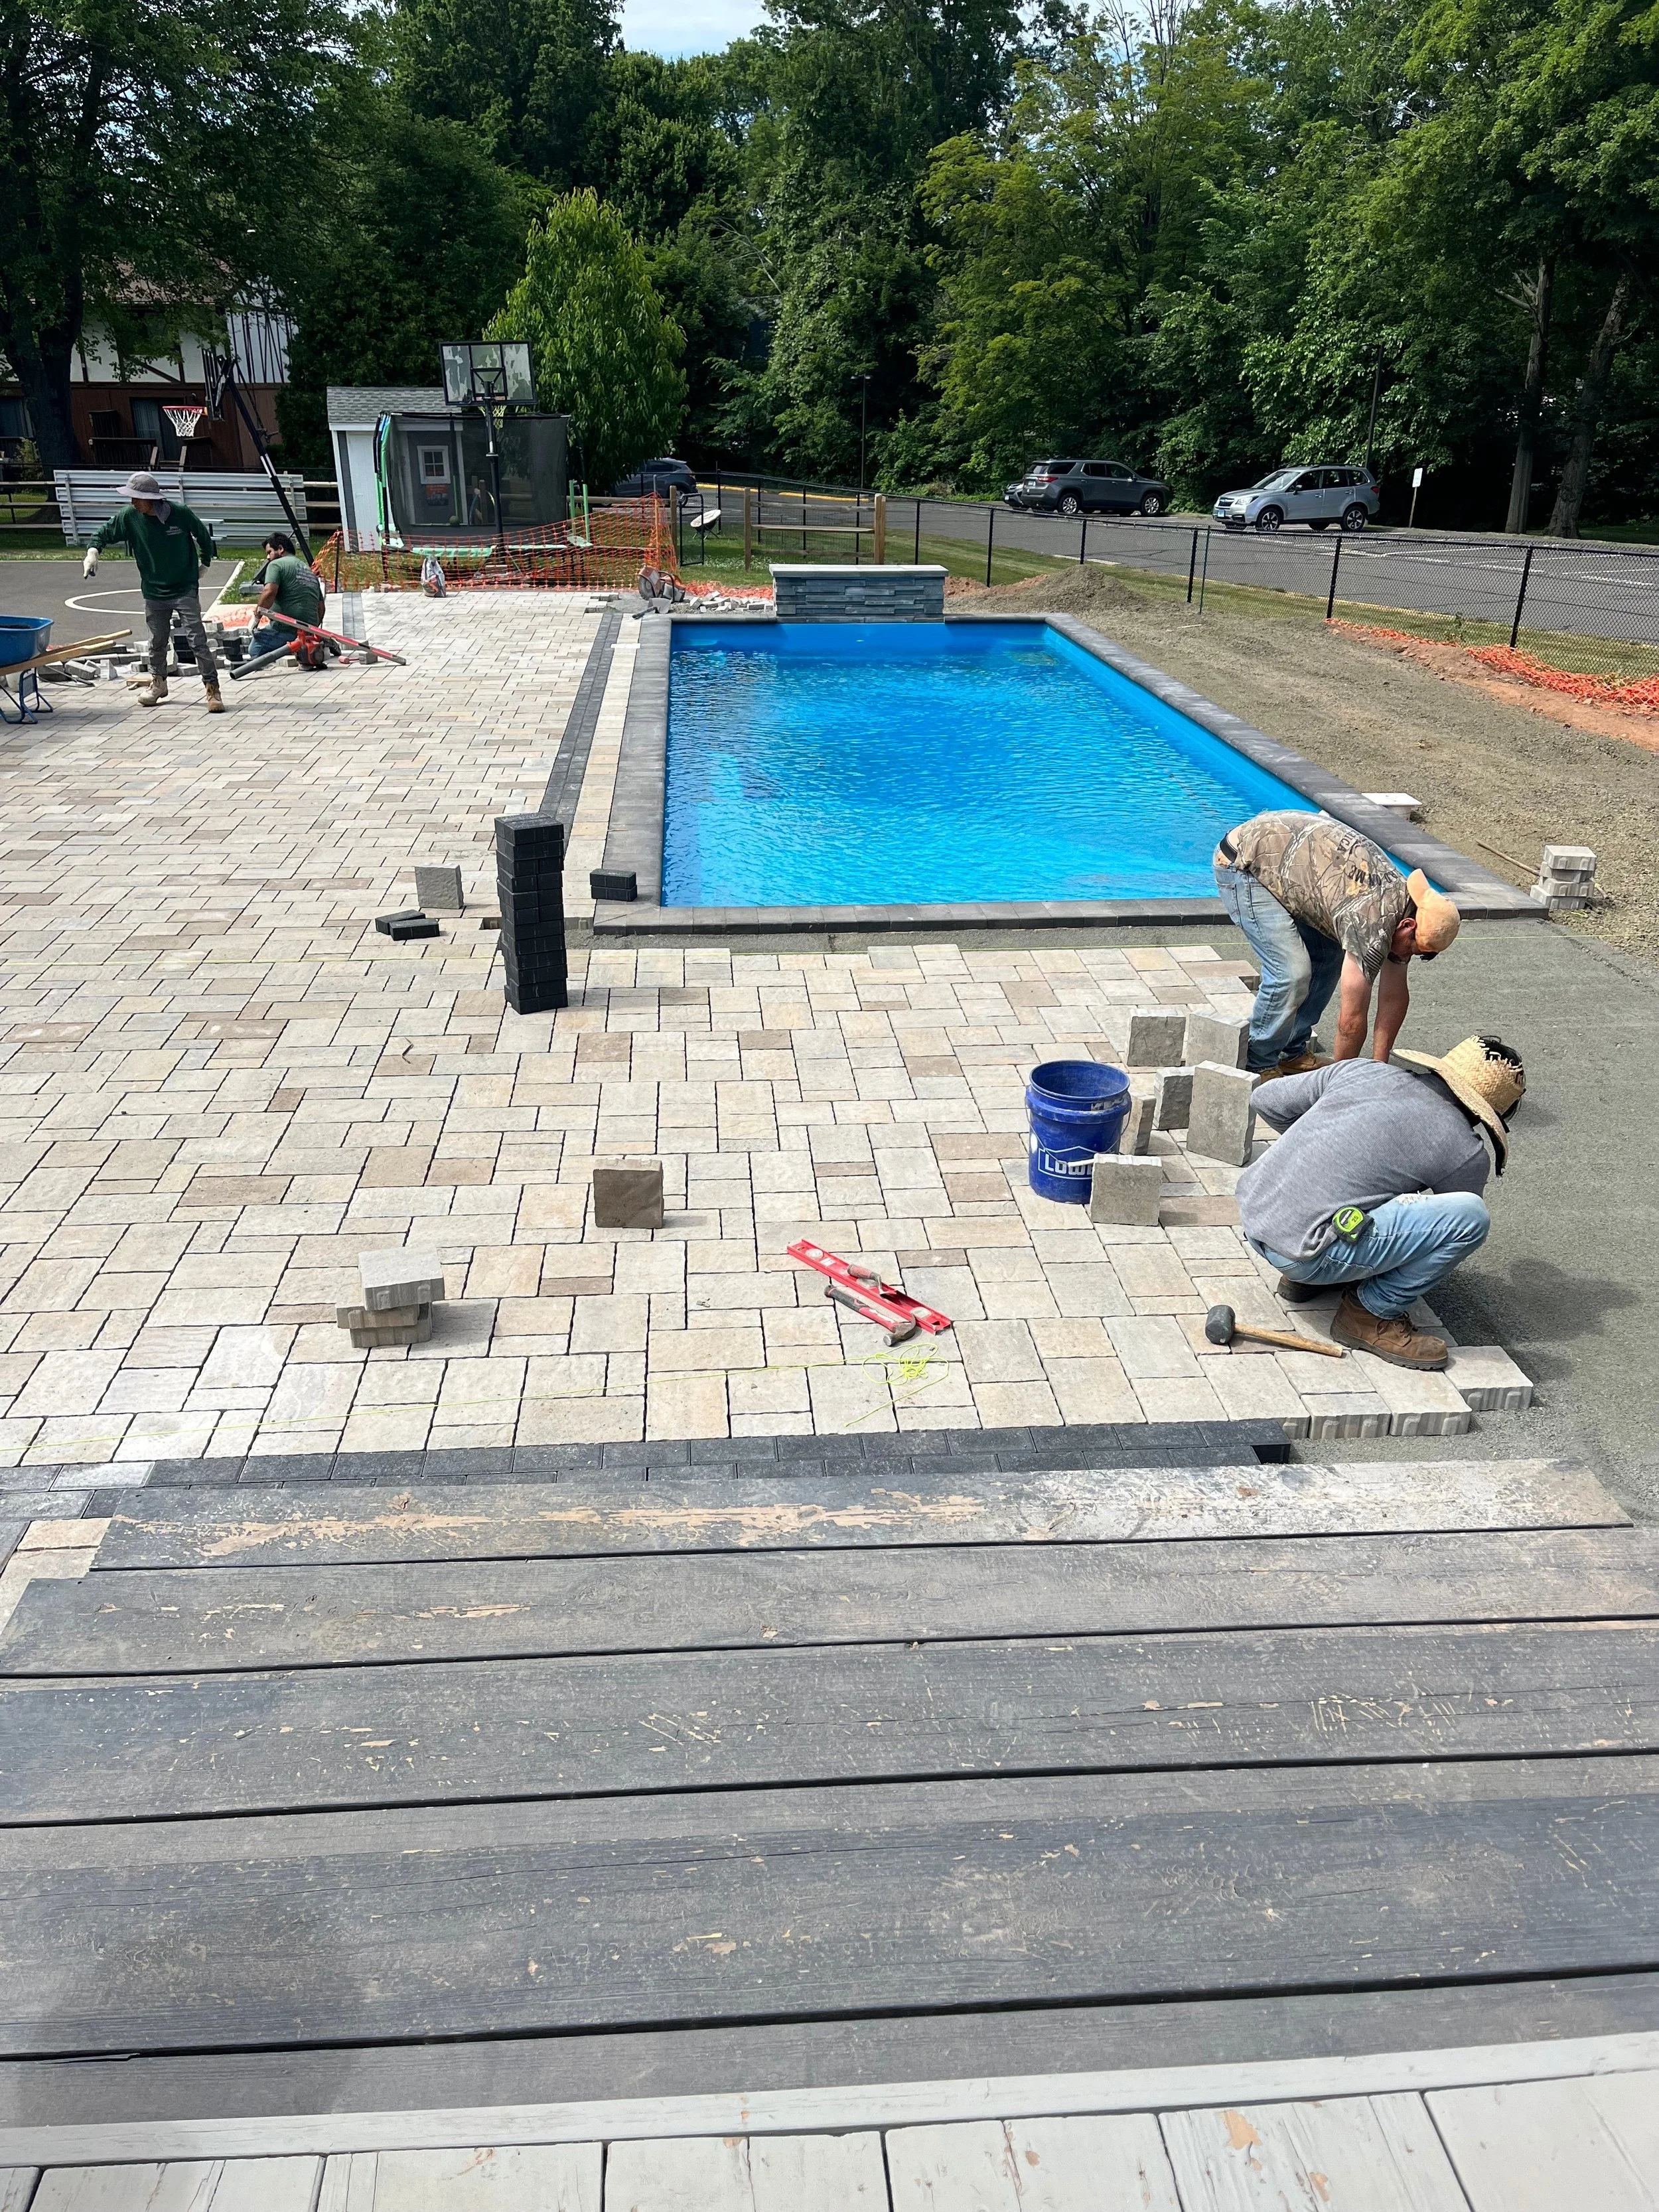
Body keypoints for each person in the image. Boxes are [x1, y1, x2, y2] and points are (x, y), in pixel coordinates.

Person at [1238, 1035, 1526, 1370]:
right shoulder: (1466, 1150)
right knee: (1471, 1218)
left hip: (1257, 1219)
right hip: (1306, 1255)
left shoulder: (1363, 1070)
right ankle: (1369, 1312)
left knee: (1366, 1191)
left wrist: (1321, 1157)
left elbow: (1265, 1099)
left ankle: (1310, 1272)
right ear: (1489, 1113)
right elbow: (1444, 1228)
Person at [1214, 809, 1461, 1076]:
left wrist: (1380, 1068)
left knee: (1329, 956)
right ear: (1408, 926)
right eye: (1414, 950)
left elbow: (1393, 997)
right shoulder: (1371, 919)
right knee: (1291, 973)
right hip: (1244, 862)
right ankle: (1259, 1063)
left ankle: (1290, 1052)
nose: (1408, 957)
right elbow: (1351, 1021)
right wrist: (1340, 1084)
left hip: (1291, 866)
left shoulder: (1405, 908)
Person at [82, 471, 223, 711]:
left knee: (197, 640)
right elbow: (103, 533)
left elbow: (203, 537)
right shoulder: (130, 516)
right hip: (154, 590)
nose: (132, 502)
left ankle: (212, 689)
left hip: (184, 587)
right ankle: (158, 683)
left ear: (151, 499)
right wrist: (93, 552)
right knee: (157, 641)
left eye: (136, 498)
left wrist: (205, 563)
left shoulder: (180, 514)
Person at [248, 533, 326, 661]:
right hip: (308, 633)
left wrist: (256, 617)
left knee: (255, 648)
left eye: (269, 552)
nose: (268, 557)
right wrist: (313, 631)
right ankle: (302, 649)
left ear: (280, 549)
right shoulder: (308, 571)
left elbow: (269, 592)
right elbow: (321, 607)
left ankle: (289, 652)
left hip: (286, 629)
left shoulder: (276, 565)